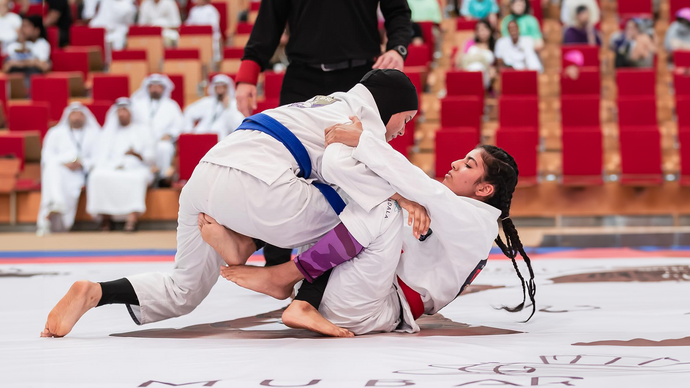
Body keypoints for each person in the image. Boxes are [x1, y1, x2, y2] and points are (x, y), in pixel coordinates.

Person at [40, 69, 419, 338]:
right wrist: (405, 196)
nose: (403, 130)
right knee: (372, 209)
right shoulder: (358, 124)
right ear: (390, 105)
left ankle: (96, 291)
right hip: (261, 187)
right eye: (406, 119)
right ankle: (292, 288)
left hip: (205, 176)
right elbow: (369, 185)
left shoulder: (318, 105)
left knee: (183, 290)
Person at [205, 132, 535, 336]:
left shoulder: (476, 223)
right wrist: (401, 197)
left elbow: (413, 181)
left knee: (382, 209)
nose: (454, 163)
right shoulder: (453, 209)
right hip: (352, 288)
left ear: (485, 188)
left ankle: (286, 279)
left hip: (371, 306)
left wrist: (363, 139)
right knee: (352, 192)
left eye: (467, 165)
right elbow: (393, 184)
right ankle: (248, 242)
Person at [234, 0, 412, 268]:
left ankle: (349, 256)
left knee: (358, 164)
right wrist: (248, 75)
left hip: (359, 78)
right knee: (284, 166)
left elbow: (398, 10)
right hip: (302, 75)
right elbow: (270, 18)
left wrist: (398, 49)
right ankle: (275, 262)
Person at [85, 98, 156, 233]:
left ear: (131, 112)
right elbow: (100, 156)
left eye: (124, 111)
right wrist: (111, 165)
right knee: (96, 176)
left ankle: (131, 220)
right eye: (119, 111)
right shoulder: (108, 132)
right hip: (112, 167)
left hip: (137, 167)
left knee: (136, 179)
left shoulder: (143, 130)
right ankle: (105, 219)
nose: (121, 114)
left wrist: (136, 154)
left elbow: (151, 157)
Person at [37, 103, 102, 236]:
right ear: (67, 116)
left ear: (85, 116)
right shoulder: (55, 133)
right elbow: (47, 156)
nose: (76, 117)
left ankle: (51, 211)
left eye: (79, 114)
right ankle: (56, 204)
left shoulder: (94, 133)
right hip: (59, 169)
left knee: (53, 173)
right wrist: (63, 163)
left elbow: (99, 157)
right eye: (73, 114)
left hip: (80, 173)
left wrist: (82, 164)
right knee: (52, 168)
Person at [131, 74, 184, 181]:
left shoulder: (171, 105)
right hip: (142, 140)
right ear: (148, 88)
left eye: (158, 87)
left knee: (163, 148)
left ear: (163, 89)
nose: (155, 89)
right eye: (152, 86)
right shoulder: (137, 104)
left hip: (161, 140)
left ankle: (162, 179)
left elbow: (180, 125)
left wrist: (170, 134)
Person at [182, 74, 244, 141]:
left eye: (222, 87)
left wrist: (228, 108)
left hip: (221, 139)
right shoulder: (208, 101)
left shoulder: (234, 104)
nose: (219, 89)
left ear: (227, 88)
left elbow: (237, 126)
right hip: (201, 135)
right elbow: (189, 111)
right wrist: (188, 130)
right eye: (217, 87)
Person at [2, 16, 51, 86]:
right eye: (22, 26)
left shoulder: (42, 44)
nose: (22, 30)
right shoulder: (15, 45)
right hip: (16, 81)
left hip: (33, 79)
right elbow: (7, 66)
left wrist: (18, 63)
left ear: (36, 30)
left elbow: (44, 66)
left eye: (26, 26)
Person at [454, 19, 496, 89]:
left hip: (485, 77)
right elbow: (458, 62)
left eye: (485, 29)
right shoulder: (470, 43)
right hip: (468, 73)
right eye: (480, 30)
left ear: (490, 30)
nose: (482, 32)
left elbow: (495, 67)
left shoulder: (495, 46)